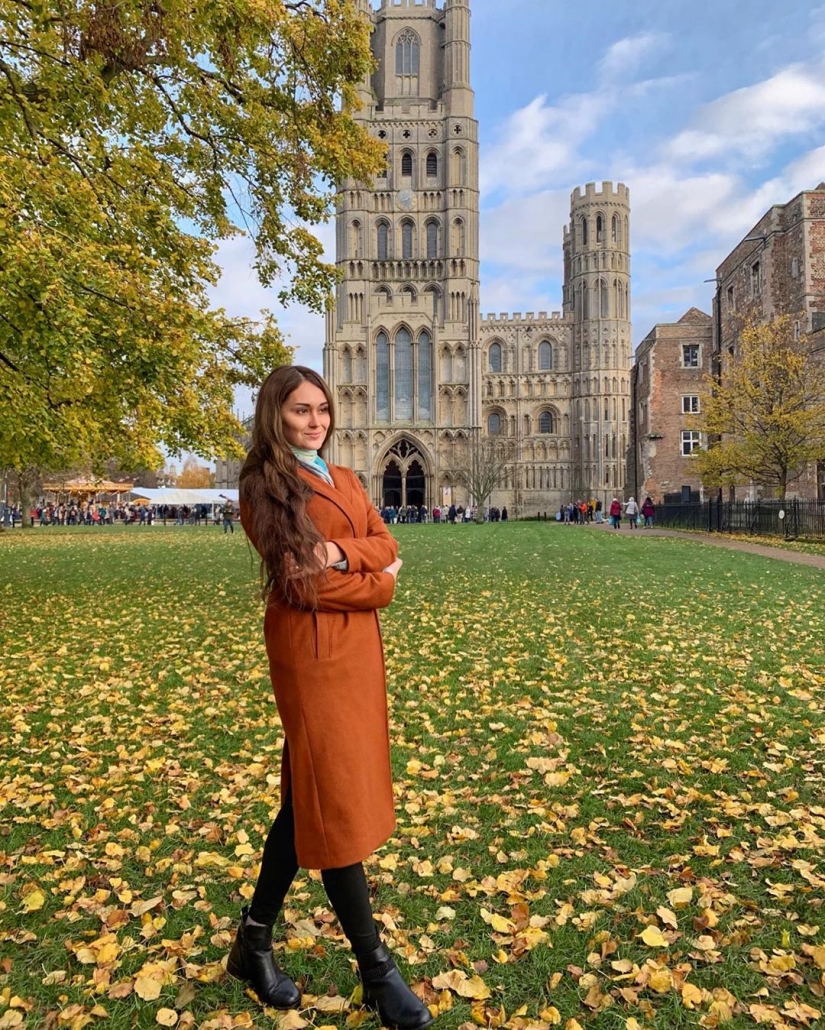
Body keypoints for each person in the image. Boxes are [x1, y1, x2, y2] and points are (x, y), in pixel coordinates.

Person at [234, 366, 431, 1030]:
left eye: (321, 409)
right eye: (299, 411)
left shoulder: (344, 477)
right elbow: (294, 584)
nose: (314, 421)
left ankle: (252, 941)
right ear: (274, 416)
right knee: (335, 802)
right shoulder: (263, 485)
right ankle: (376, 972)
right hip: (310, 657)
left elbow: (385, 542)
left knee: (308, 801)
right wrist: (380, 585)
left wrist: (342, 556)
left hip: (352, 656)